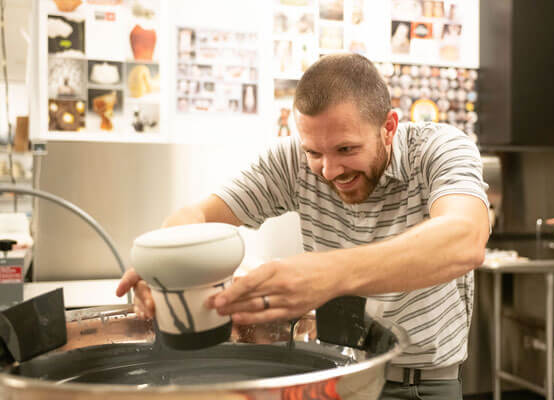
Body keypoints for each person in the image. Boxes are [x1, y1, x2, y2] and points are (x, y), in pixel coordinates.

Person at [116, 53, 490, 400]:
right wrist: (164, 264)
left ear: (388, 127)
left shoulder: (439, 150)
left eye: (346, 149)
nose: (329, 171)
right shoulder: (291, 161)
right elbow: (195, 215)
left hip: (421, 385)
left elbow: (465, 238)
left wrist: (329, 275)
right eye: (314, 152)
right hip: (332, 377)